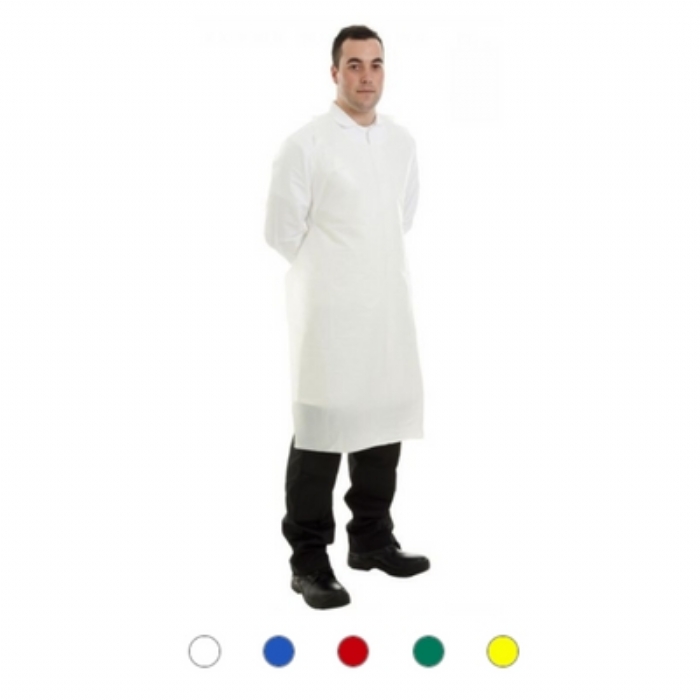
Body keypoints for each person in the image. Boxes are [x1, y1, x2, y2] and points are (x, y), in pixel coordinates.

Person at [264, 25, 429, 610]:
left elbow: (401, 216)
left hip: (386, 308)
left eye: (376, 64)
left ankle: (372, 540)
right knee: (321, 433)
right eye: (354, 65)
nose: (366, 76)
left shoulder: (401, 142)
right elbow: (281, 231)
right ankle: (308, 560)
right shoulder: (306, 144)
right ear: (334, 72)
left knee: (382, 424)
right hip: (331, 314)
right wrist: (333, 275)